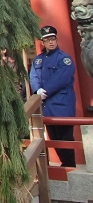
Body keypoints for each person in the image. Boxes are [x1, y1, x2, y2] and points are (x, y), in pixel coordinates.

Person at [30, 25, 77, 167]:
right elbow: (33, 76)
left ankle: (69, 166)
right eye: (47, 40)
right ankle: (64, 164)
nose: (51, 42)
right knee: (53, 137)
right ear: (42, 43)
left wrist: (46, 91)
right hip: (47, 106)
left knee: (65, 138)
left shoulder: (64, 59)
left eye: (53, 39)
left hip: (62, 105)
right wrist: (37, 90)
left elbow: (61, 78)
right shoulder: (38, 60)